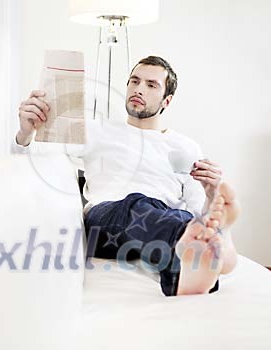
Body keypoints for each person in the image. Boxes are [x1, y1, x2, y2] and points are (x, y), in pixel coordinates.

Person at [14, 55, 241, 296]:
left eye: (151, 85)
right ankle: (214, 249)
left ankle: (190, 274)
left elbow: (198, 210)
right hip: (106, 222)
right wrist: (26, 131)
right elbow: (36, 156)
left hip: (163, 220)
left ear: (167, 100)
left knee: (181, 219)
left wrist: (211, 192)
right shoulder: (96, 130)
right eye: (134, 81)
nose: (139, 89)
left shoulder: (185, 147)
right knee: (138, 203)